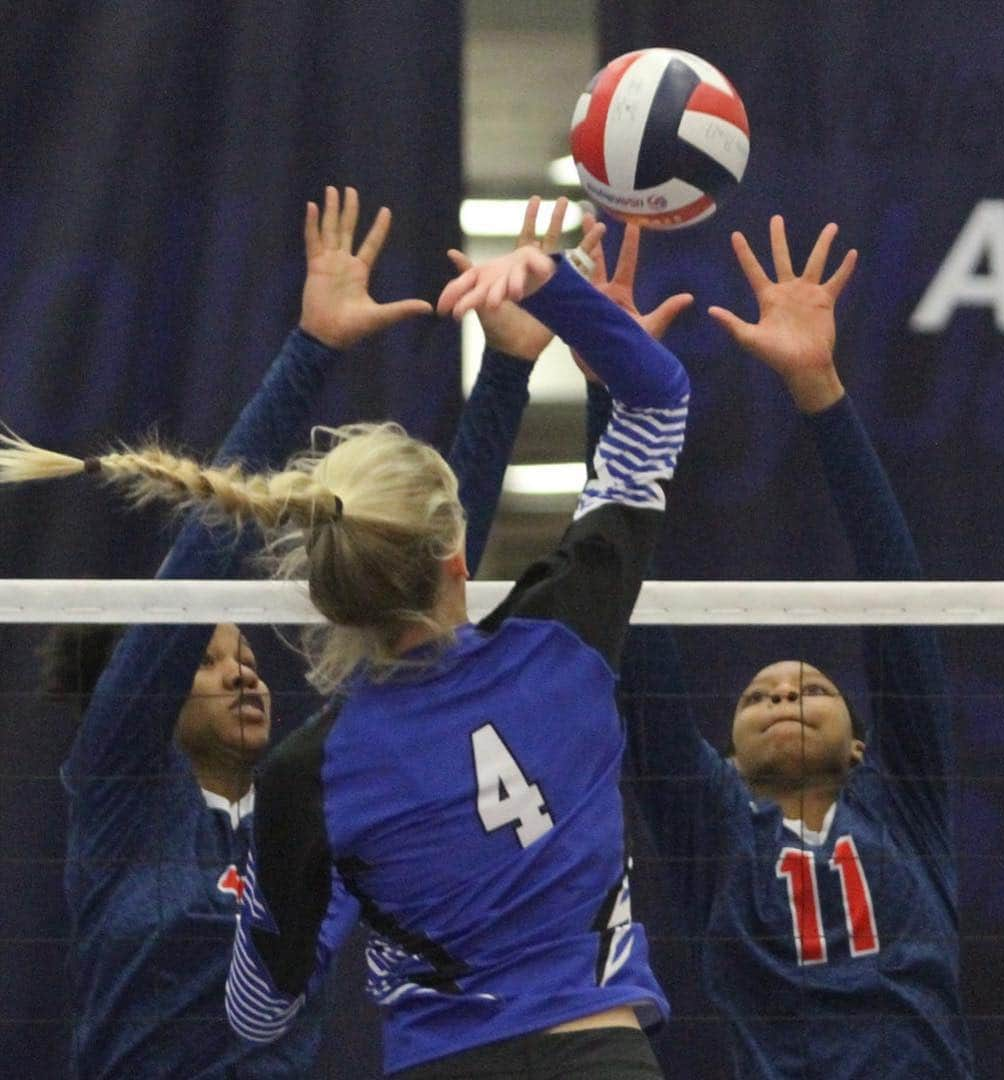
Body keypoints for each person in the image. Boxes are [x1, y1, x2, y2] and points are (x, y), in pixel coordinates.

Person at [8, 235, 691, 1077]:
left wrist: (509, 368)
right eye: (206, 658)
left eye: (244, 652)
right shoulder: (136, 791)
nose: (241, 670)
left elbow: (408, 560)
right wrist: (554, 296)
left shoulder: (319, 786)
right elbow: (198, 605)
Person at [614, 216, 975, 1078]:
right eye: (756, 698)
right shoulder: (712, 825)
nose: (779, 697)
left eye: (808, 689)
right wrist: (615, 385)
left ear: (861, 742)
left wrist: (822, 390)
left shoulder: (903, 805)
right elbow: (631, 621)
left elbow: (898, 605)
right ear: (727, 756)